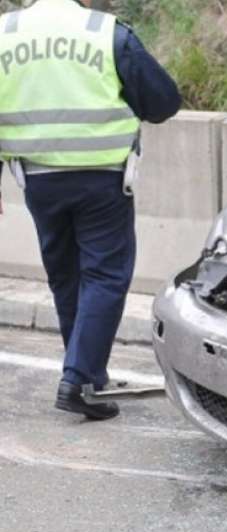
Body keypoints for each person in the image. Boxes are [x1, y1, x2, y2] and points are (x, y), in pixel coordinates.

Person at [0, 0, 181, 420]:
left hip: (38, 179)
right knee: (104, 275)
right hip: (102, 179)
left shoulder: (5, 34)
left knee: (67, 277)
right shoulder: (104, 31)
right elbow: (163, 102)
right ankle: (80, 379)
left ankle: (87, 377)